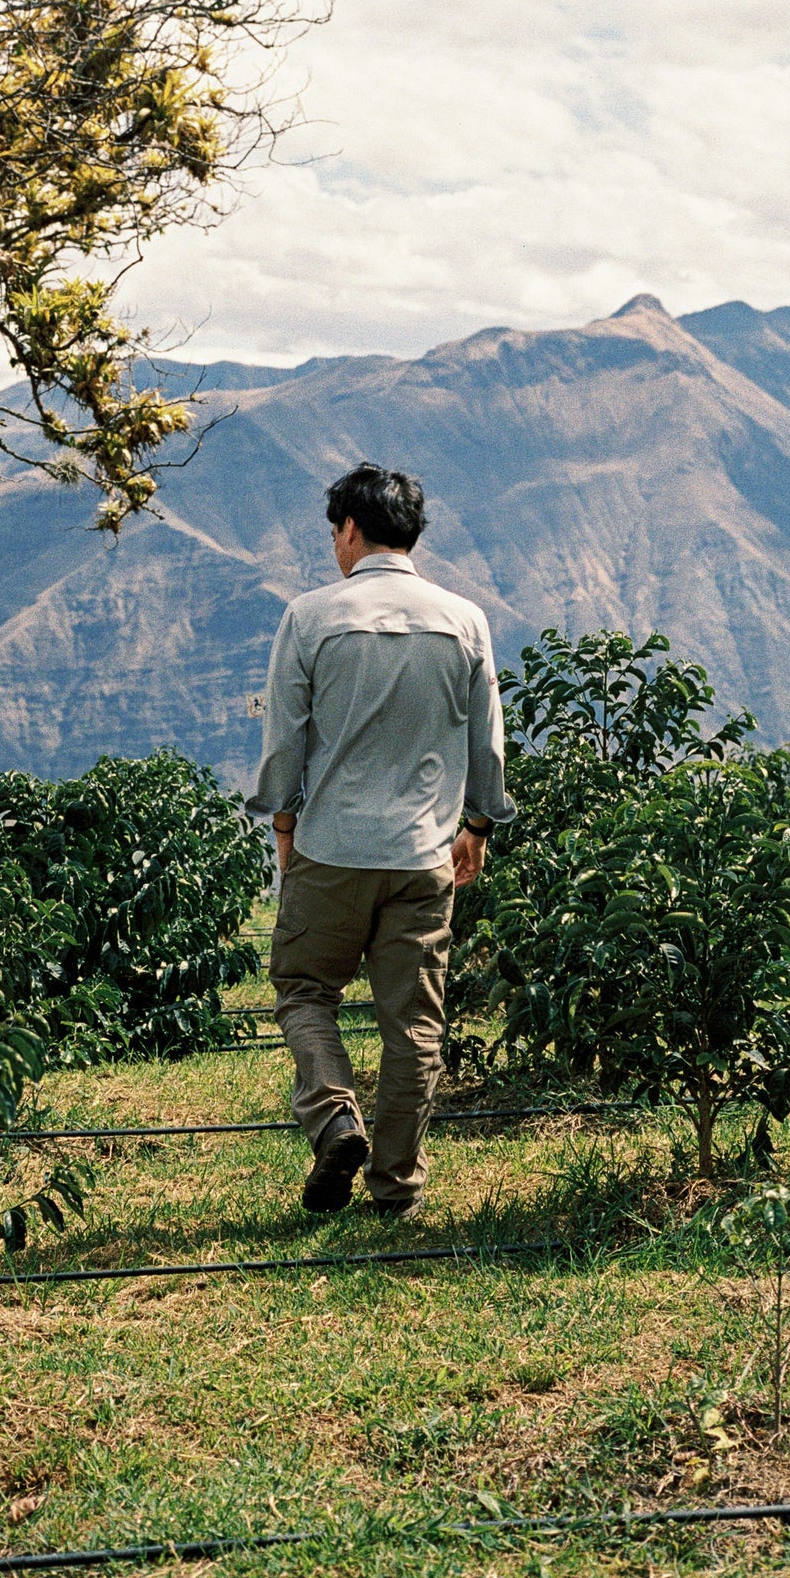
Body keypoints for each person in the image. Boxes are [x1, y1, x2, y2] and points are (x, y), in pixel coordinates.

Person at [247, 462, 515, 1220]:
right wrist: (477, 824)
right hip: (423, 856)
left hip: (330, 849)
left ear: (351, 530)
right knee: (414, 1027)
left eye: (334, 531)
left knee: (304, 990)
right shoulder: (464, 619)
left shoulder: (309, 617)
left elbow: (282, 745)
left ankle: (335, 1118)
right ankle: (396, 1187)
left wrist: (285, 824)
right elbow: (487, 745)